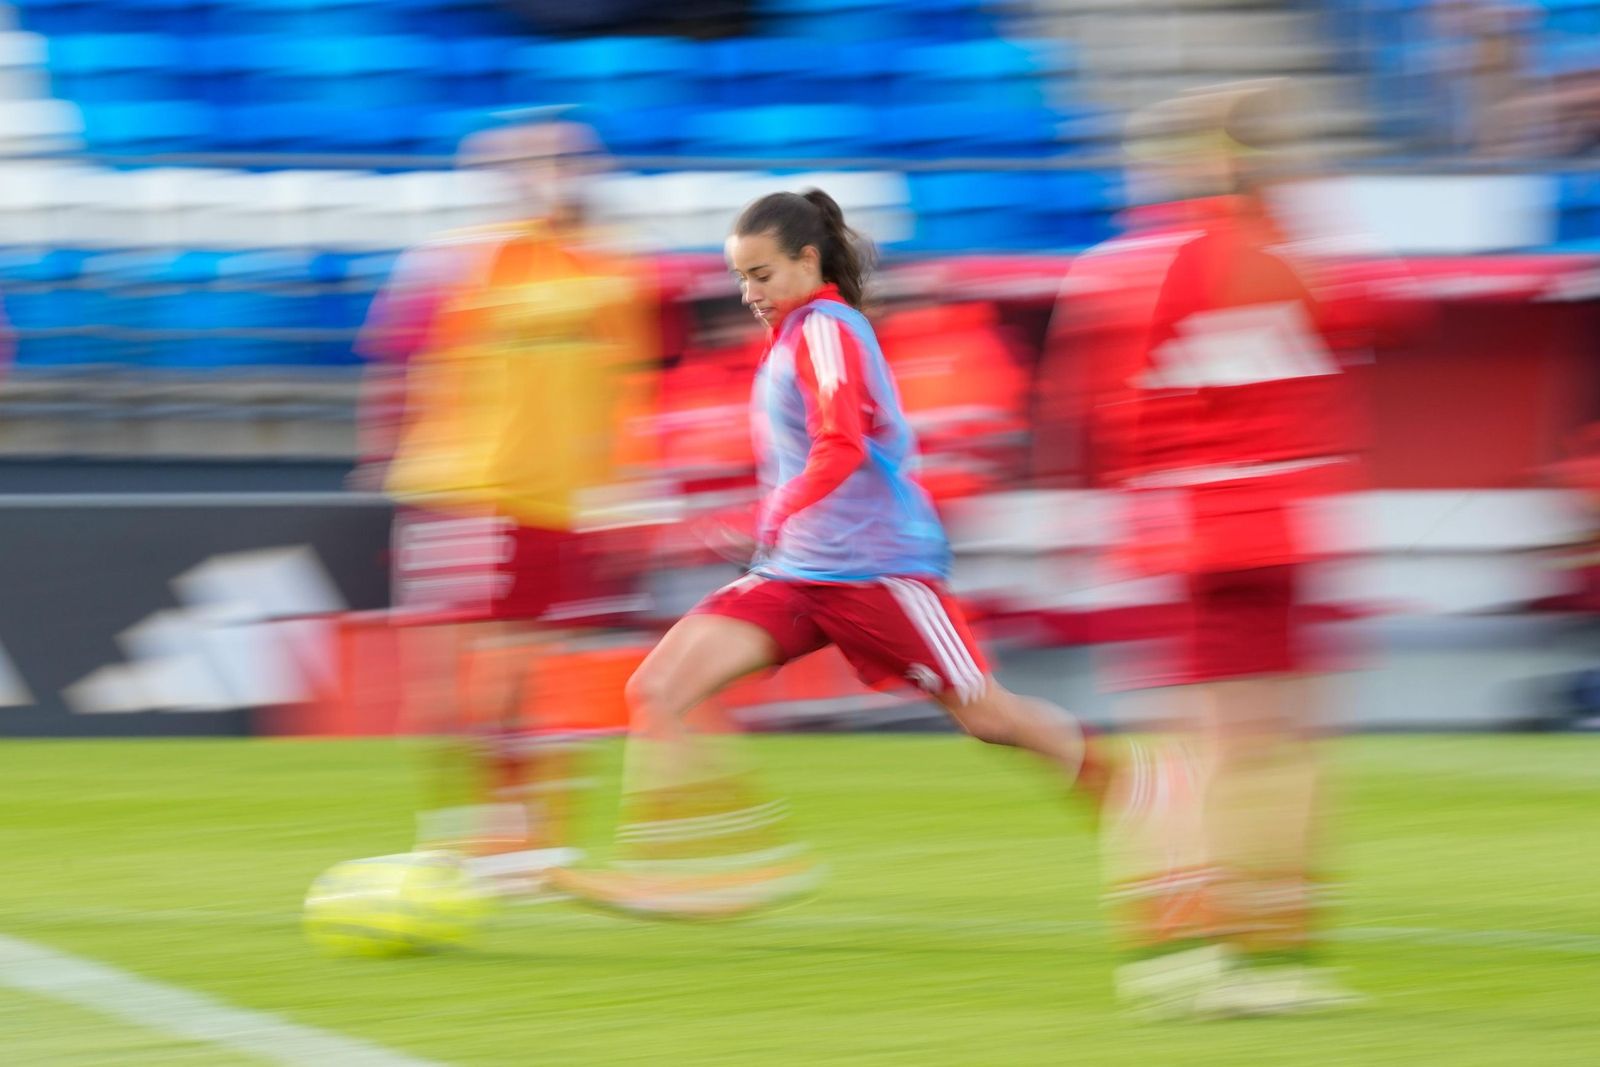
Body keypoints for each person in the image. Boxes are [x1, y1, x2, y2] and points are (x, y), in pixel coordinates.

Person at [553, 189, 1103, 919]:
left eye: (762, 274)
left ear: (808, 260)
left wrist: (764, 513)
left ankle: (1140, 791)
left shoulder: (826, 330)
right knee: (656, 690)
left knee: (989, 718)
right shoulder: (796, 333)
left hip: (875, 570)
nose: (749, 293)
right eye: (741, 279)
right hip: (796, 573)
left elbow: (839, 444)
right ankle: (697, 864)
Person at [1061, 83, 1368, 1017]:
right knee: (1284, 749)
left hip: (1191, 533)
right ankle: (1272, 954)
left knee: (1201, 750)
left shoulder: (1134, 265)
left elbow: (1098, 411)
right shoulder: (1295, 254)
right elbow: (1369, 314)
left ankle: (1186, 953)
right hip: (1280, 527)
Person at [357, 113, 661, 890]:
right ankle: (448, 839)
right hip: (465, 486)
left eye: (572, 161)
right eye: (538, 162)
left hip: (560, 501)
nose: (559, 175)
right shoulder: (462, 260)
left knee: (532, 678)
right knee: (451, 677)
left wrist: (627, 486)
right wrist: (385, 447)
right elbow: (398, 355)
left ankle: (521, 841)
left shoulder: (616, 272)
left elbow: (626, 388)